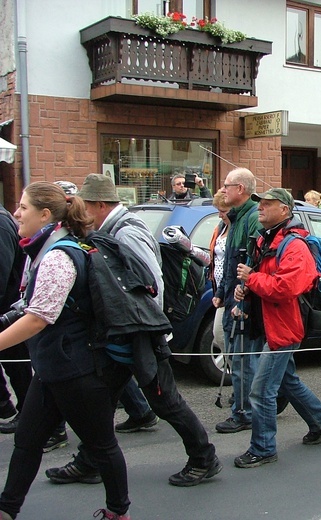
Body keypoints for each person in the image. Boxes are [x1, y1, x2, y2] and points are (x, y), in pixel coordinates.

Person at [46, 173, 221, 488]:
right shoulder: (111, 229)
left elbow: (152, 284)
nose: (80, 214)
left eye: (83, 207)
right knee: (101, 401)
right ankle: (90, 462)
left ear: (99, 205)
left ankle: (204, 458)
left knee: (166, 401)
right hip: (121, 335)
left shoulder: (127, 233)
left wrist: (150, 334)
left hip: (141, 335)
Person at [0, 182, 130, 520]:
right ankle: (7, 509)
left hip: (78, 373)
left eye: (23, 207)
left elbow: (38, 318)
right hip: (53, 368)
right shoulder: (43, 250)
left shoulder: (58, 255)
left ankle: (119, 513)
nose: (16, 213)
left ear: (45, 214)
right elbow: (29, 304)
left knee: (102, 447)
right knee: (27, 442)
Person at [233, 188, 321, 468]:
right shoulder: (264, 240)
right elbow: (260, 280)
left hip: (284, 328)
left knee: (262, 389)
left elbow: (286, 287)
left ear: (285, 210)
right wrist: (244, 292)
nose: (261, 208)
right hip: (266, 325)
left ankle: (263, 448)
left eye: (268, 204)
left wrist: (252, 279)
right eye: (260, 204)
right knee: (287, 381)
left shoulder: (294, 246)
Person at [213, 168, 262, 434]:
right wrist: (222, 291)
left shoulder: (252, 217)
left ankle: (244, 412)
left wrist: (241, 299)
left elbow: (252, 262)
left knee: (244, 360)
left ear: (240, 189)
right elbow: (229, 261)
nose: (222, 190)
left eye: (226, 185)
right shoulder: (235, 217)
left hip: (244, 302)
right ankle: (318, 417)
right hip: (233, 297)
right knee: (241, 357)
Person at [0, 203, 32, 437]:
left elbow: (2, 270)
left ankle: (26, 411)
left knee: (17, 364)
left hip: (9, 308)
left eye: (24, 207)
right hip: (10, 307)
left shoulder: (1, 223)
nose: (18, 214)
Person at [208, 190, 232, 354]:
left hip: (231, 290)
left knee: (220, 334)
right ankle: (236, 370)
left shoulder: (237, 229)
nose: (219, 215)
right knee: (218, 335)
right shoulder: (222, 227)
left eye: (222, 211)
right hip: (220, 290)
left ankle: (239, 372)